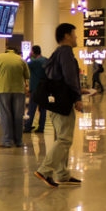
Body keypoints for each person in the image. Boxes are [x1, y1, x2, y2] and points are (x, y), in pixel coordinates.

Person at [34, 24, 84, 188]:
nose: (76, 37)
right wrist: (78, 96)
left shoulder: (56, 53)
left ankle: (62, 174)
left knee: (61, 136)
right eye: (74, 34)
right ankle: (45, 170)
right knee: (64, 139)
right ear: (67, 36)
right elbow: (70, 77)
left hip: (55, 101)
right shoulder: (66, 52)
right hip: (63, 102)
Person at [0, 46, 28, 148]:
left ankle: (7, 141)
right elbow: (27, 75)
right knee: (18, 115)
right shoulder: (21, 59)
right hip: (19, 90)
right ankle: (19, 141)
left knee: (5, 115)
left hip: (4, 89)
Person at [23, 45, 49, 134]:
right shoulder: (46, 60)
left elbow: (23, 64)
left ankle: (27, 126)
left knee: (32, 108)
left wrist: (28, 57)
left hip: (35, 87)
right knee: (43, 109)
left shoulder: (34, 62)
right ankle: (41, 127)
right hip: (45, 87)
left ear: (33, 52)